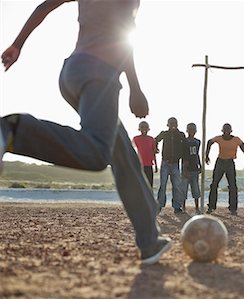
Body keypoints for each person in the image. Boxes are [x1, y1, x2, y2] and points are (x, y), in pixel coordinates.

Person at [0, 0, 171, 264]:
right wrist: (135, 89)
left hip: (72, 72)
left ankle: (149, 241)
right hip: (99, 74)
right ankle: (15, 130)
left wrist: (17, 45)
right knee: (96, 153)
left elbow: (45, 6)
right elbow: (123, 38)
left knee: (123, 154)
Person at [205, 123, 244, 215]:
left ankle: (233, 208)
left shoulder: (236, 139)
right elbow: (209, 142)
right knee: (214, 184)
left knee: (232, 185)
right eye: (225, 130)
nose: (226, 132)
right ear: (222, 131)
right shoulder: (219, 138)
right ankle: (211, 206)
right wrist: (207, 155)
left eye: (228, 130)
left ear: (231, 131)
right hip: (220, 162)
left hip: (230, 162)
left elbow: (243, 146)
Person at [155, 117, 186, 214]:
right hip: (165, 162)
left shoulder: (181, 135)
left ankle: (177, 207)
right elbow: (155, 140)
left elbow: (185, 147)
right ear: (167, 124)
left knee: (176, 186)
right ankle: (159, 206)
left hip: (175, 163)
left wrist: (184, 159)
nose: (173, 125)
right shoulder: (164, 134)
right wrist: (156, 148)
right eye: (171, 123)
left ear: (177, 124)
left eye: (174, 123)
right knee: (163, 185)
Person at [182, 123, 201, 214]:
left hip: (195, 167)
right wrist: (185, 169)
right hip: (186, 167)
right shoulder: (184, 141)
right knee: (184, 189)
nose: (191, 132)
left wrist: (199, 165)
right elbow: (184, 156)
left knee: (196, 188)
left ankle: (197, 207)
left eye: (193, 130)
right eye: (190, 129)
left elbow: (197, 154)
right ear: (187, 130)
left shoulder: (198, 141)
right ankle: (183, 207)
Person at [132, 121, 158, 189]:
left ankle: (149, 199)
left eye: (146, 127)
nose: (144, 129)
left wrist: (156, 165)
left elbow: (154, 153)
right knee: (139, 184)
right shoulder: (136, 138)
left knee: (149, 185)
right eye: (142, 127)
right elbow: (131, 150)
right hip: (139, 165)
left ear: (148, 129)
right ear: (139, 129)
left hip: (149, 165)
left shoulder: (151, 139)